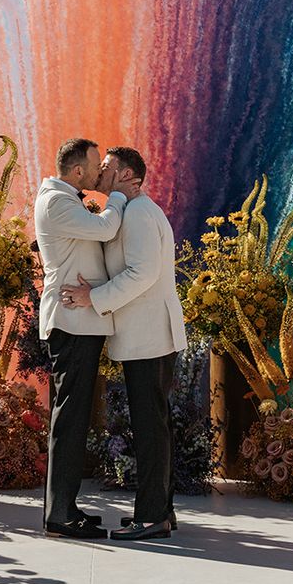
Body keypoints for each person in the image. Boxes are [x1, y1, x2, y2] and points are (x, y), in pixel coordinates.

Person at [63, 146, 187, 541]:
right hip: (147, 335)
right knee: (155, 425)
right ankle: (161, 512)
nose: (99, 172)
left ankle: (151, 517)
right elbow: (132, 272)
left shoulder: (137, 214)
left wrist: (92, 299)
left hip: (148, 337)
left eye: (106, 167)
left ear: (127, 174)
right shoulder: (136, 212)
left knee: (151, 428)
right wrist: (96, 288)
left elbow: (141, 274)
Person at [35, 138, 141, 540]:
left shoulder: (66, 198)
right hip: (72, 323)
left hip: (81, 323)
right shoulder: (57, 202)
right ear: (77, 171)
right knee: (70, 420)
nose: (100, 173)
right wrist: (116, 194)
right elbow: (105, 227)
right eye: (96, 166)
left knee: (75, 418)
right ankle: (60, 515)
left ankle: (66, 507)